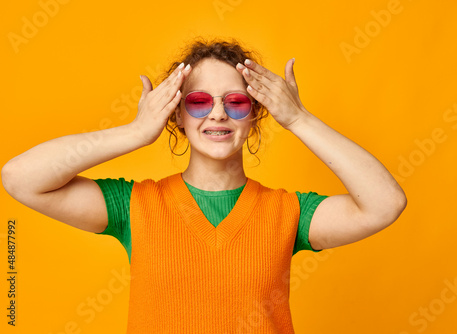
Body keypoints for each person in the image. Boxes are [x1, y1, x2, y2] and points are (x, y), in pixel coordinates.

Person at [1, 37, 407, 333]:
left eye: (236, 102)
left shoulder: (289, 213)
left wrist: (300, 119)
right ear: (176, 113)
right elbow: (19, 178)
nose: (217, 114)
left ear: (255, 116)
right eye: (198, 101)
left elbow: (385, 203)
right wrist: (135, 133)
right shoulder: (135, 206)